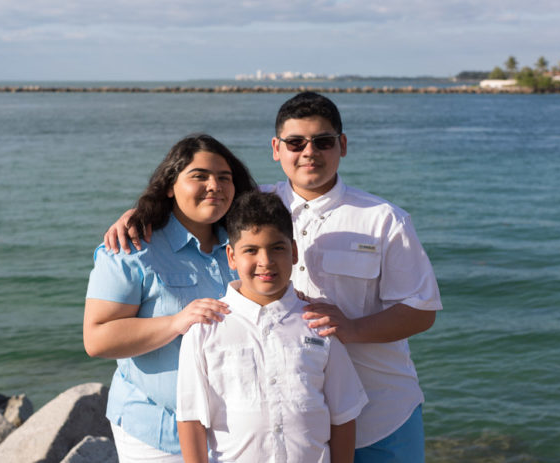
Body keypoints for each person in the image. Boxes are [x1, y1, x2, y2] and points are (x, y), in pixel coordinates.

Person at [105, 92, 443, 463]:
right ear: (276, 148)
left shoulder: (384, 219)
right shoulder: (252, 204)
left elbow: (420, 309)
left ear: (342, 145)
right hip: (293, 423)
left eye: (323, 141)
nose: (309, 152)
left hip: (383, 411)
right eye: (296, 142)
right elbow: (195, 201)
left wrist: (351, 329)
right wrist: (141, 212)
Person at [84, 134, 257, 462]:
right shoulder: (131, 248)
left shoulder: (245, 246)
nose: (215, 185)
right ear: (168, 185)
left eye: (224, 178)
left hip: (236, 433)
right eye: (199, 176)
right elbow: (97, 339)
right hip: (159, 434)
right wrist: (178, 322)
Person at [176, 191, 367, 463]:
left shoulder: (318, 324)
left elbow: (344, 416)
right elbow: (191, 420)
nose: (265, 261)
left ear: (294, 252)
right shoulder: (206, 330)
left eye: (277, 248)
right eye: (251, 250)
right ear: (231, 256)